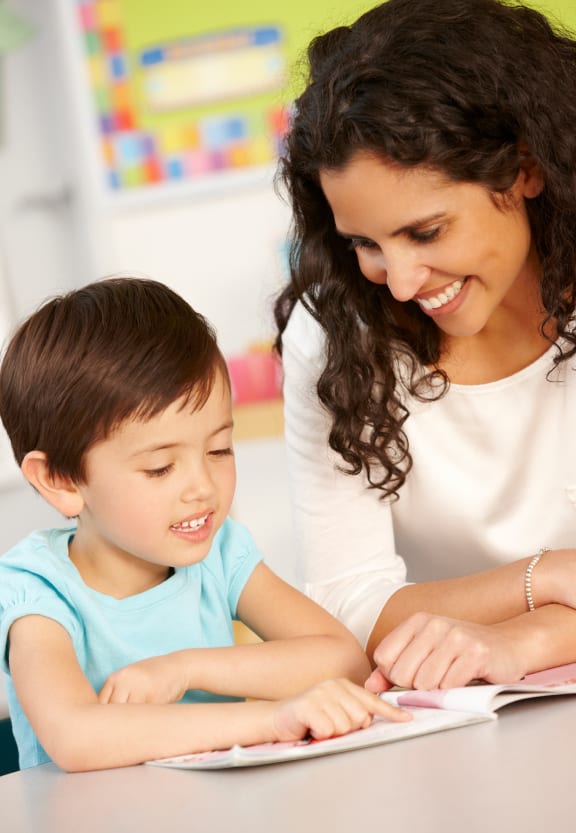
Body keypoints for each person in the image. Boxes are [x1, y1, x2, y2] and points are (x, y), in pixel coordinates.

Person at [274, 0, 576, 694]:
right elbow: (349, 611)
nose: (401, 282)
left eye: (427, 232)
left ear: (524, 170)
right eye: (365, 244)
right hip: (464, 718)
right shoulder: (334, 337)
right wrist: (551, 574)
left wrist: (519, 638)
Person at [0, 277, 409, 772]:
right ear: (62, 480)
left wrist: (185, 669)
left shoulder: (221, 551)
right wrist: (270, 720)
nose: (203, 487)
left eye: (219, 449)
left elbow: (343, 660)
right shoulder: (37, 589)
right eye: (160, 468)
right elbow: (76, 736)